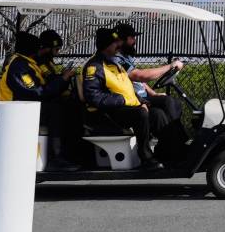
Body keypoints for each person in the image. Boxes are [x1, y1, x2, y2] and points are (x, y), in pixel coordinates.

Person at [78, 25, 156, 164]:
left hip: (116, 110)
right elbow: (93, 96)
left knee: (156, 111)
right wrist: (122, 100)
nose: (118, 46)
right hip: (103, 115)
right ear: (107, 45)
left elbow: (126, 88)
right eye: (115, 43)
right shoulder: (95, 66)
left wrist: (142, 101)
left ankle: (168, 151)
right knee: (140, 115)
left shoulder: (114, 64)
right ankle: (146, 157)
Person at [113, 21, 186, 157]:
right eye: (132, 38)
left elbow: (140, 82)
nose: (135, 41)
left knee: (171, 102)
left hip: (142, 96)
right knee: (162, 109)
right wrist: (170, 66)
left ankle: (175, 144)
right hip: (133, 100)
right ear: (122, 39)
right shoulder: (117, 59)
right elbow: (140, 76)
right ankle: (175, 145)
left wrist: (153, 93)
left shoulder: (126, 57)